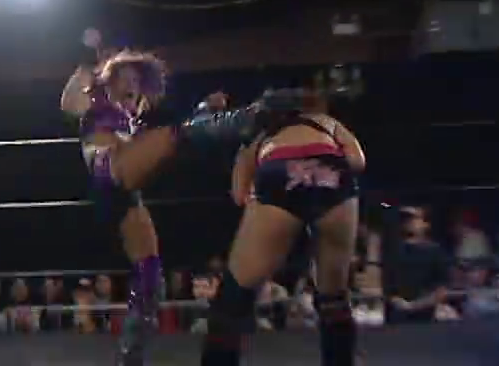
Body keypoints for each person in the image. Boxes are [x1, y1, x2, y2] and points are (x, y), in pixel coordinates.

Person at [62, 40, 226, 365]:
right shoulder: (94, 102)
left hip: (126, 193)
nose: (132, 85)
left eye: (137, 80)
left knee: (151, 275)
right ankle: (219, 121)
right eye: (126, 78)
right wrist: (85, 66)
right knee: (172, 136)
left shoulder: (132, 117)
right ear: (110, 80)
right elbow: (68, 102)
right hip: (108, 171)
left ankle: (131, 354)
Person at [199, 70, 366, 366]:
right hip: (332, 172)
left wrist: (267, 204)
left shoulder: (260, 138)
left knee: (233, 296)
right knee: (333, 295)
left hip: (279, 169)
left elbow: (239, 194)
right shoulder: (326, 122)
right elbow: (357, 161)